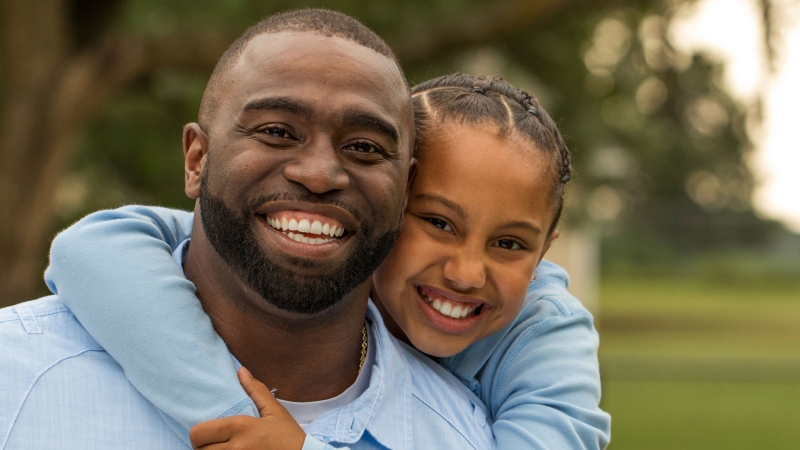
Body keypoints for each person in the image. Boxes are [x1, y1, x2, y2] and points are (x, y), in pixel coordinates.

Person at [0, 9, 496, 450]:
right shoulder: (14, 380)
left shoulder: (468, 434)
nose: (320, 174)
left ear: (406, 188)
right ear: (197, 159)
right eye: (277, 132)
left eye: (364, 147)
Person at [45, 73, 611, 450]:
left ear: (545, 249)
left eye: (510, 244)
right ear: (384, 200)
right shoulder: (324, 246)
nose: (466, 272)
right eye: (438, 223)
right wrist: (235, 418)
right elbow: (91, 250)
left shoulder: (545, 332)